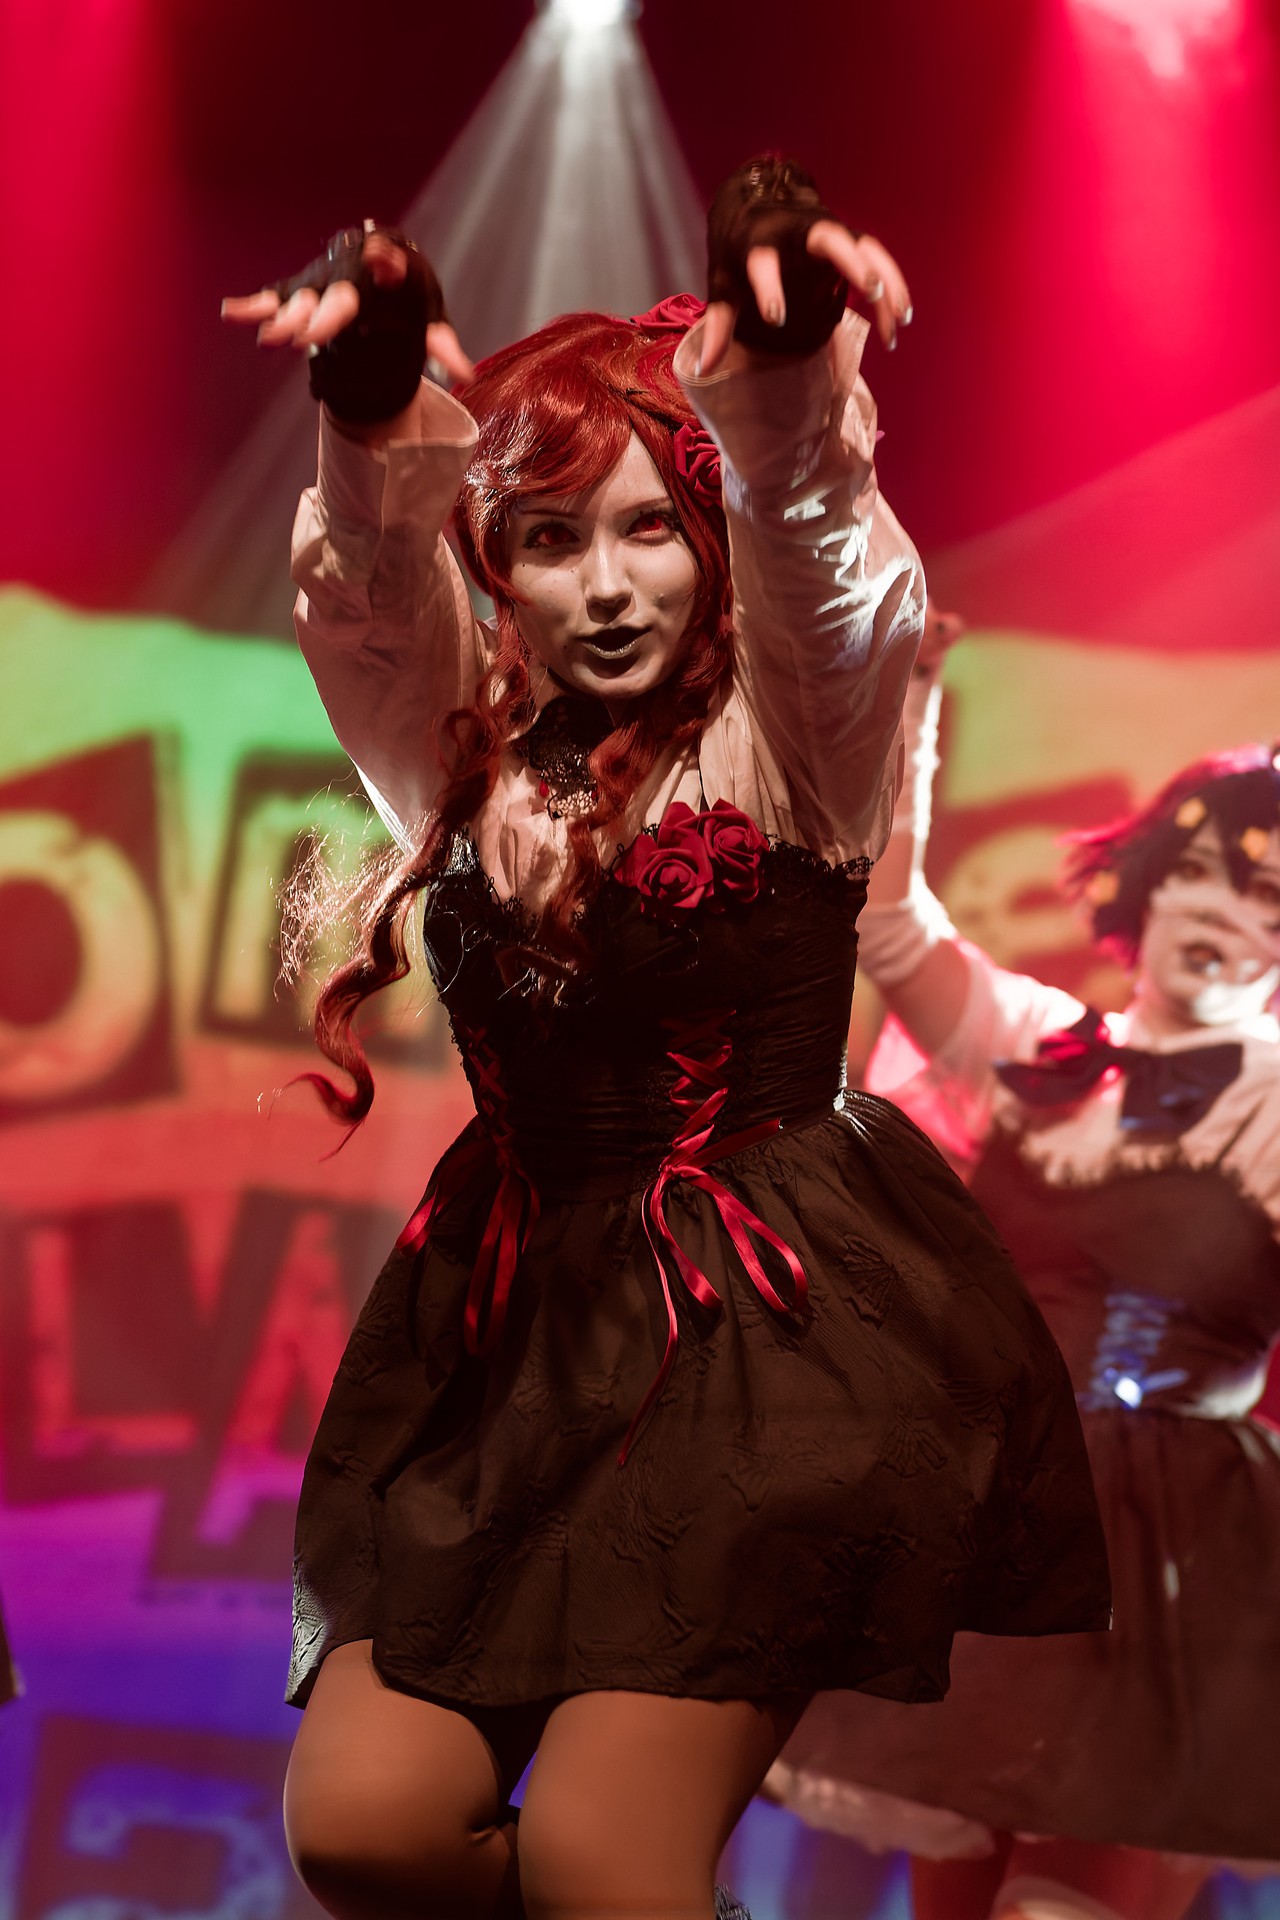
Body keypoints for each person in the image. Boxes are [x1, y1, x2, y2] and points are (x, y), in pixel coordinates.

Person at [223, 162, 1110, 1920]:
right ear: (500, 569)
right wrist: (370, 389)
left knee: (598, 1863)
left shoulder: (797, 738)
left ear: (709, 530)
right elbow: (375, 591)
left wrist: (776, 353)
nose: (610, 586)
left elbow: (821, 554)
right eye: (551, 541)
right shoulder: (460, 749)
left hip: (770, 1335)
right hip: (513, 1334)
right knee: (368, 1834)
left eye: (650, 528)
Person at [769, 618, 1280, 1920]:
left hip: (1176, 1569)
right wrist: (914, 713)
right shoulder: (1046, 1047)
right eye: (1202, 872)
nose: (1224, 910)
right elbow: (893, 926)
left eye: (1270, 896)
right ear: (1147, 885)